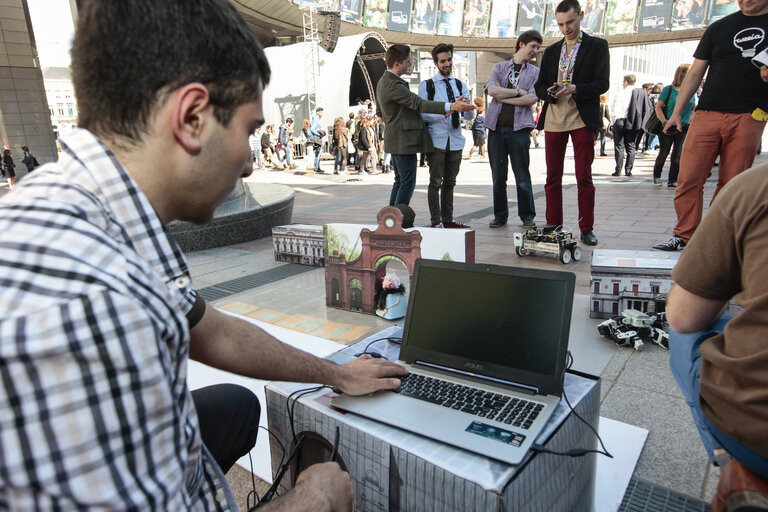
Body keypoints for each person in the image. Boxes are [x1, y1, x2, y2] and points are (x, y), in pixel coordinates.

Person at [0, 1, 407, 509]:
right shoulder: (93, 310)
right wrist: (314, 500)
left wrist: (339, 373)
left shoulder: (100, 207)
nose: (250, 165)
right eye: (249, 131)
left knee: (233, 406)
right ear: (192, 117)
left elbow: (211, 330)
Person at [666, 163, 768, 511]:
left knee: (687, 335)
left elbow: (682, 317)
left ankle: (738, 469)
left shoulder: (755, 187)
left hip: (758, 436)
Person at [652, 0, 768, 251]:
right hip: (707, 112)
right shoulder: (720, 27)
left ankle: (716, 238)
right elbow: (695, 73)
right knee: (689, 176)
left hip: (751, 114)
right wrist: (677, 113)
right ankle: (684, 235)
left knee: (732, 182)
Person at [534, 0, 609, 246]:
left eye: (570, 22)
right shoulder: (552, 51)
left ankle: (586, 227)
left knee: (583, 177)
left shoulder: (598, 46)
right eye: (561, 24)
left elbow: (602, 83)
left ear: (581, 16)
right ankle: (553, 224)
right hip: (555, 118)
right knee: (552, 178)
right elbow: (539, 85)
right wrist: (550, 91)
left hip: (582, 118)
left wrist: (576, 88)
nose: (566, 29)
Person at [376, 44, 474, 207]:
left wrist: (394, 122)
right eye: (408, 62)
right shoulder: (393, 84)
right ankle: (396, 222)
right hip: (402, 140)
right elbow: (418, 103)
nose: (410, 65)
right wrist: (450, 106)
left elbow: (380, 112)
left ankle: (391, 220)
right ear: (397, 63)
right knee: (407, 183)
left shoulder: (385, 81)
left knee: (400, 181)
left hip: (397, 138)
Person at [485, 30, 543, 228]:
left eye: (537, 48)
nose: (535, 51)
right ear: (521, 44)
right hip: (496, 128)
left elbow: (532, 98)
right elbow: (491, 90)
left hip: (519, 129)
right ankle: (500, 215)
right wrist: (517, 91)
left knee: (522, 175)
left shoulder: (535, 72)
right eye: (532, 46)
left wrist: (504, 95)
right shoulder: (500, 67)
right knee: (498, 176)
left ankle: (527, 216)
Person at [418, 43, 473, 229]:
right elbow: (424, 114)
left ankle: (448, 219)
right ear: (436, 63)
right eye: (443, 61)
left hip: (456, 139)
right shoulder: (428, 86)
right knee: (435, 182)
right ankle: (436, 222)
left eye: (449, 59)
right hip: (437, 140)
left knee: (450, 182)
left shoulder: (460, 84)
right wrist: (449, 109)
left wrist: (468, 108)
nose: (447, 64)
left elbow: (469, 116)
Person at [652, 64, 695, 188]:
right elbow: (658, 107)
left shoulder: (691, 90)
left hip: (683, 126)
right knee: (664, 152)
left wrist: (689, 119)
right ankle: (657, 175)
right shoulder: (668, 89)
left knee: (678, 154)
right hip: (668, 126)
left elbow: (693, 108)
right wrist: (664, 120)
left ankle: (672, 180)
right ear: (682, 74)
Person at [609, 74, 652, 177]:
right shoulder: (640, 93)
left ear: (626, 82)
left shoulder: (620, 93)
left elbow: (614, 109)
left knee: (619, 146)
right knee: (631, 146)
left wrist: (612, 122)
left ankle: (618, 170)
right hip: (633, 122)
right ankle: (628, 170)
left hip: (619, 121)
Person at [310, 107, 326, 173]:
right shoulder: (316, 119)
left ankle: (317, 167)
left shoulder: (318, 119)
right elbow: (312, 129)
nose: (322, 113)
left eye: (322, 112)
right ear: (317, 112)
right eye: (321, 112)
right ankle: (316, 167)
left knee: (319, 153)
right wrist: (319, 134)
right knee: (318, 153)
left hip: (318, 137)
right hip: (317, 138)